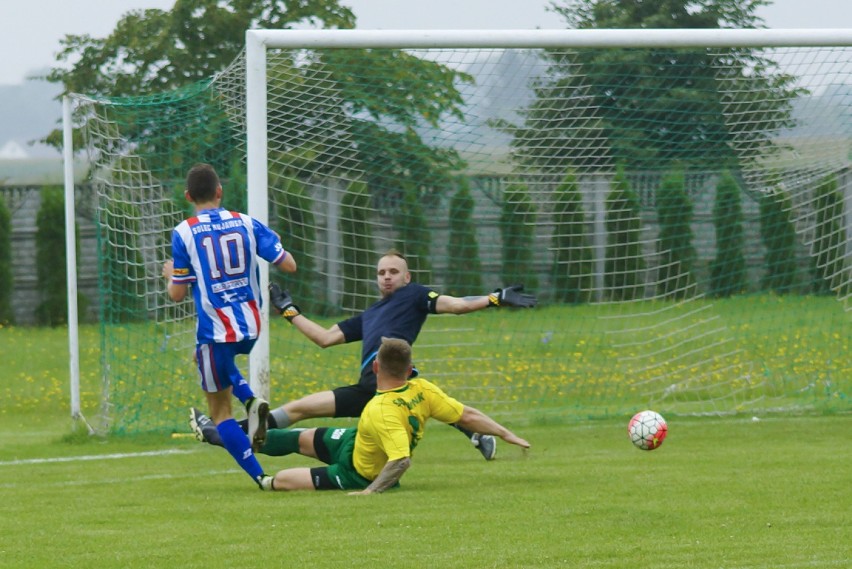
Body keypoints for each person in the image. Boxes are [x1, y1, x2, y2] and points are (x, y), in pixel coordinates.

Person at [191, 248, 536, 461]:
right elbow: (325, 338)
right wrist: (290, 311)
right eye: (382, 272)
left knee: (440, 406)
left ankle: (476, 432)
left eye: (393, 272)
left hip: (395, 390)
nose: (386, 277)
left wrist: (494, 298)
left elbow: (457, 305)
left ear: (407, 276)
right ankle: (230, 432)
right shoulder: (369, 315)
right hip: (366, 389)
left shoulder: (415, 295)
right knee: (297, 409)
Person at [163, 163, 297, 490]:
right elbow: (289, 265)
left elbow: (178, 294)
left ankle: (261, 477)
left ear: (188, 196)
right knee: (207, 360)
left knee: (220, 412)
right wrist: (273, 241)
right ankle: (251, 400)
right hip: (251, 326)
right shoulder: (247, 223)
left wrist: (170, 275)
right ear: (220, 191)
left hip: (215, 330)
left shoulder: (184, 232)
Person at [256, 337, 530, 493]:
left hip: (358, 473)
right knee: (293, 438)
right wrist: (506, 433)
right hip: (355, 441)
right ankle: (224, 435)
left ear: (375, 367)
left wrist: (368, 491)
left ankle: (262, 479)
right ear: (410, 369)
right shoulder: (422, 388)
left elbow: (400, 461)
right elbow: (466, 415)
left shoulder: (382, 410)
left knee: (281, 480)